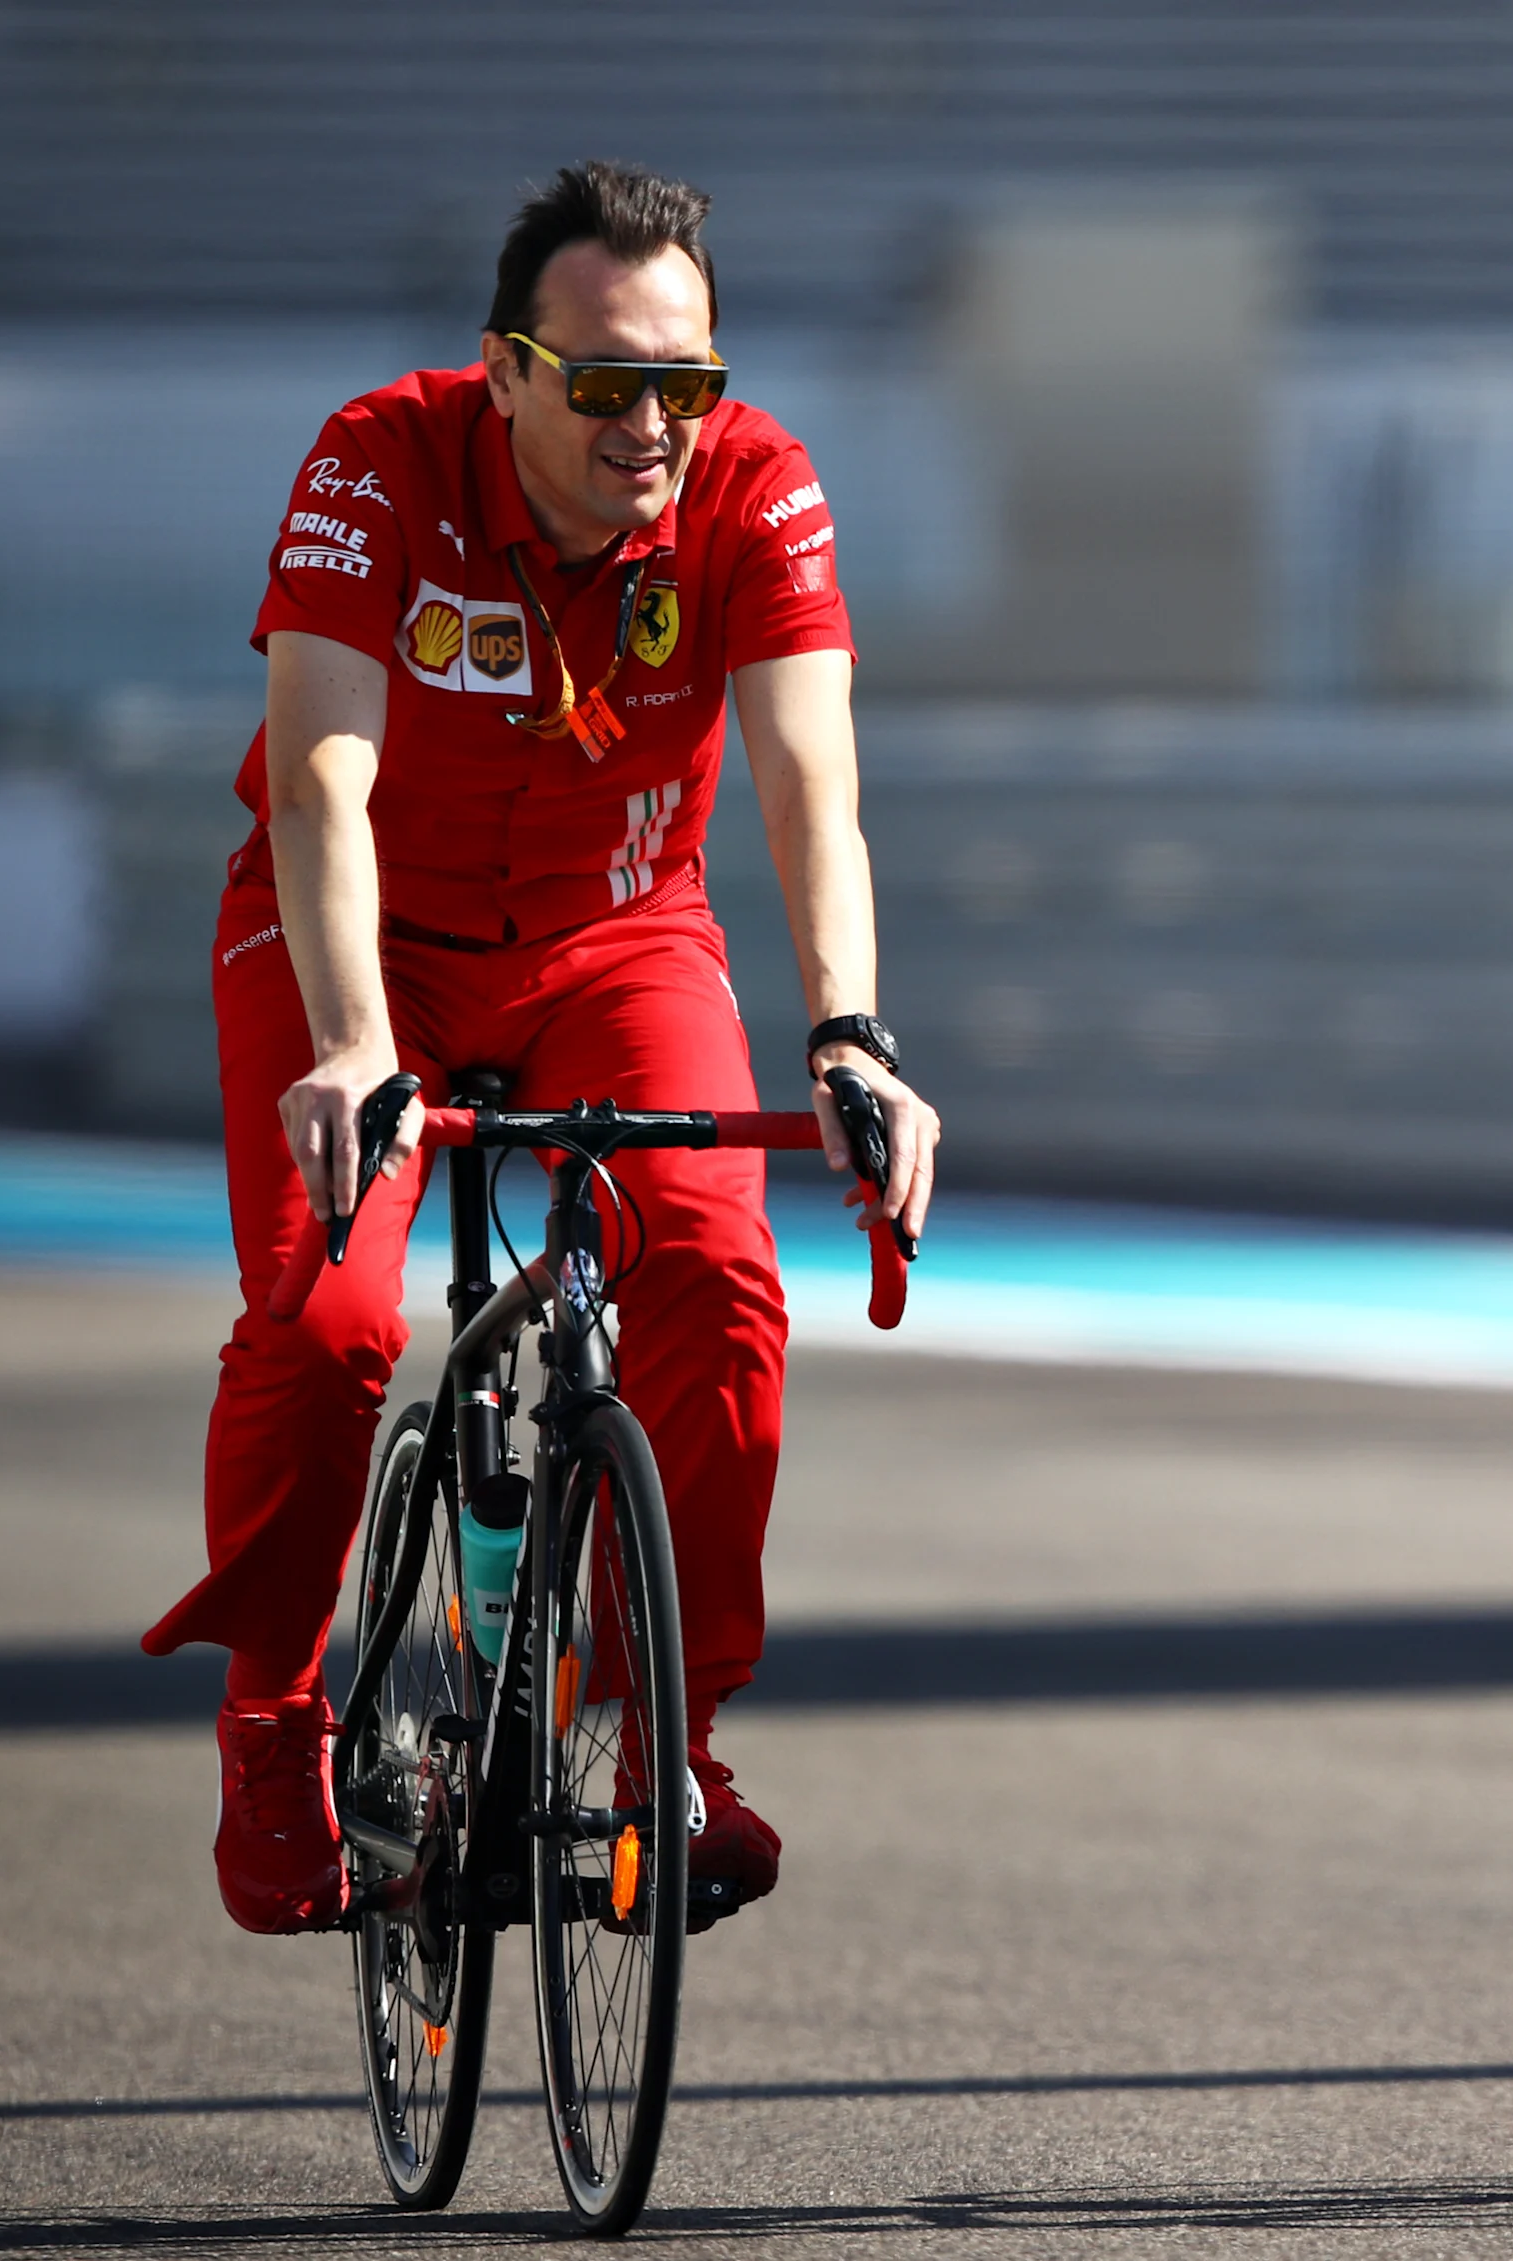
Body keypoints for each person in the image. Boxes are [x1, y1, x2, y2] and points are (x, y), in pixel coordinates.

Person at [141, 162, 938, 1935]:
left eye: (687, 383)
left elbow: (814, 787)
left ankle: (669, 1735)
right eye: (602, 383)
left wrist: (851, 1035)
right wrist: (354, 1044)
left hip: (615, 937)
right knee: (337, 1322)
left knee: (724, 1285)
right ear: (505, 370)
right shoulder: (376, 459)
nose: (651, 423)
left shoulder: (760, 488)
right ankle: (276, 1711)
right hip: (354, 947)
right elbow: (323, 777)